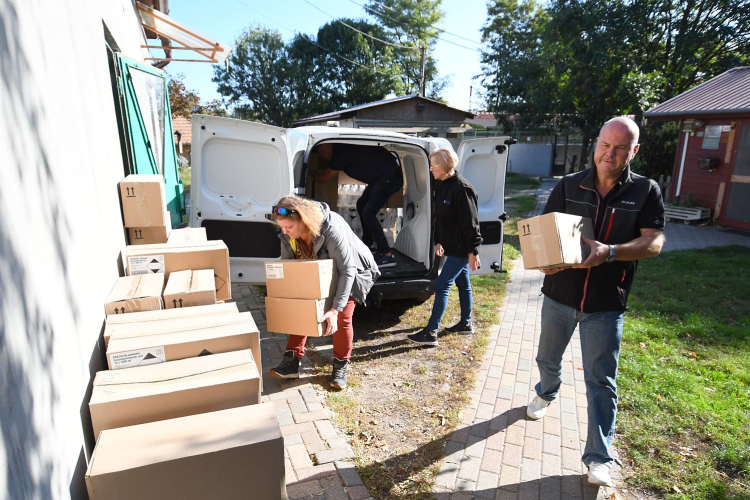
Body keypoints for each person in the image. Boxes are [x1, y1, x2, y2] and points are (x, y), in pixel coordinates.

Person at [526, 116, 666, 487]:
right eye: (605, 144)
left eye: (620, 147)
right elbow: (543, 231)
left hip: (606, 303)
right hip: (559, 297)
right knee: (546, 358)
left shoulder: (645, 190)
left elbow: (654, 242)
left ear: (633, 151)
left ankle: (599, 457)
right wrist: (543, 262)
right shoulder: (570, 185)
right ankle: (546, 391)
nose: (611, 152)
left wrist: (612, 252)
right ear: (596, 145)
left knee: (601, 381)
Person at [268, 196, 380, 389]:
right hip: (321, 273)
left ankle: (340, 366)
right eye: (282, 228)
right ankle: (292, 361)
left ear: (303, 220)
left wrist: (335, 309)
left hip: (353, 271)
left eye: (289, 228)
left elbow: (347, 270)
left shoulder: (330, 229)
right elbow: (289, 270)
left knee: (343, 317)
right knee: (299, 306)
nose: (285, 232)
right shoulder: (287, 236)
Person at [408, 147, 482, 347]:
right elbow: (440, 217)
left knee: (441, 285)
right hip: (451, 245)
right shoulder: (441, 184)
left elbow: (471, 224)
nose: (430, 169)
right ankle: (466, 323)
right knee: (463, 283)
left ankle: (431, 332)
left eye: (433, 166)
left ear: (445, 166)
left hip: (461, 248)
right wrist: (439, 240)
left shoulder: (462, 189)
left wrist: (473, 252)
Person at [310, 143, 403, 269]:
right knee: (362, 205)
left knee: (368, 213)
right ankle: (367, 245)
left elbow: (324, 178)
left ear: (325, 154)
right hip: (383, 177)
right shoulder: (343, 148)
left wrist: (308, 173)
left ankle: (387, 254)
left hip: (388, 178)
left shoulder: (339, 155)